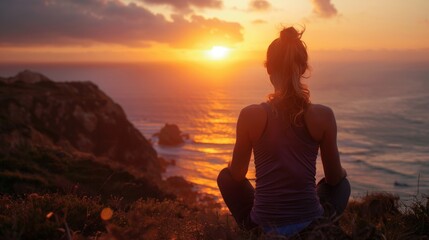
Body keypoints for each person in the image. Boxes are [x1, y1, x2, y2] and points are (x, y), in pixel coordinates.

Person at [217, 27, 351, 237]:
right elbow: (334, 179)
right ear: (304, 67)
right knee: (341, 185)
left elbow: (237, 175)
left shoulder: (250, 115)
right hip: (312, 226)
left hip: (262, 227)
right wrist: (341, 174)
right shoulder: (323, 116)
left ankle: (259, 229)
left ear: (269, 69)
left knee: (225, 177)